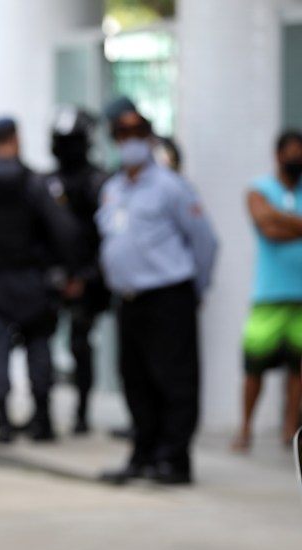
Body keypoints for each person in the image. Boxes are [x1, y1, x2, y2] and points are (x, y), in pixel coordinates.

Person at [96, 100, 218, 486]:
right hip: (129, 300)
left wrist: (194, 289)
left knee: (174, 380)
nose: (129, 142)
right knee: (136, 380)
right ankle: (143, 455)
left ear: (149, 138)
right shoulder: (113, 189)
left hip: (168, 296)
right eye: (122, 135)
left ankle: (174, 459)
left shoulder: (171, 186)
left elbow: (205, 242)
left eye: (137, 134)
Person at [0, 118, 79, 444]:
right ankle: (42, 421)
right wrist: (70, 270)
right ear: (15, 141)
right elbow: (63, 230)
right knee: (39, 349)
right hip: (33, 280)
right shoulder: (35, 181)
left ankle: (3, 423)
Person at [234, 129, 302, 452]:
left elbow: (275, 222)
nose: (297, 159)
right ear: (278, 156)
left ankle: (290, 432)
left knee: (298, 370)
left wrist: (280, 217)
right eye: (292, 152)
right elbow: (267, 226)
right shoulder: (258, 189)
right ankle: (245, 429)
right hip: (268, 296)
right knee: (254, 367)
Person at [46, 106, 110, 435]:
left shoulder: (97, 181)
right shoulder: (47, 181)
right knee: (40, 341)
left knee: (81, 344)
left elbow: (106, 235)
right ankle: (42, 412)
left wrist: (87, 276)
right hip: (52, 275)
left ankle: (82, 411)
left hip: (88, 277)